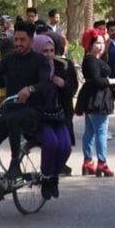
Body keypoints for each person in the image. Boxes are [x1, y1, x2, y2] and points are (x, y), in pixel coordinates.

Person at [0, 18, 49, 183]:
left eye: (22, 40)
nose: (18, 43)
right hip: (11, 109)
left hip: (32, 111)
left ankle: (15, 164)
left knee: (14, 119)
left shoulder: (40, 61)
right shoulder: (10, 58)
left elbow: (44, 83)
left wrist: (30, 89)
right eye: (16, 40)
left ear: (31, 41)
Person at [31, 34, 72, 199]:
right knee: (51, 143)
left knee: (65, 146)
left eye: (51, 50)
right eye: (44, 51)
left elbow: (71, 89)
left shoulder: (61, 66)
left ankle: (53, 176)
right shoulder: (32, 69)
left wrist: (63, 84)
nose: (48, 54)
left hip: (56, 115)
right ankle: (46, 178)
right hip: (39, 117)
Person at [78, 33, 114, 177]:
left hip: (94, 99)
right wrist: (112, 81)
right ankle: (102, 163)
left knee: (91, 131)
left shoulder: (93, 59)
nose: (101, 46)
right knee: (100, 131)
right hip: (97, 100)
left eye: (102, 43)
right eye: (97, 43)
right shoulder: (91, 60)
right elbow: (96, 81)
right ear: (90, 45)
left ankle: (88, 162)